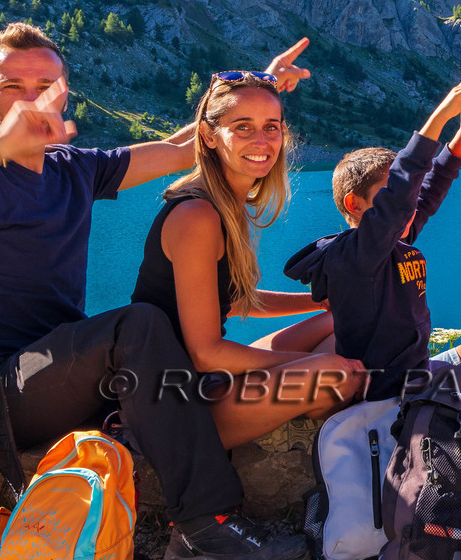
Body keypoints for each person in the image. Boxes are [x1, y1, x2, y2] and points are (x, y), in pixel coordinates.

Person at [0, 22, 317, 560]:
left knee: (148, 329)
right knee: (137, 324)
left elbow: (179, 149)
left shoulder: (74, 168)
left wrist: (259, 86)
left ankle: (159, 447)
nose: (31, 101)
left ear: (65, 92)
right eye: (12, 87)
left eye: (46, 85)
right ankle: (204, 526)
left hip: (61, 370)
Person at [129, 71, 366, 449]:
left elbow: (237, 300)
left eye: (271, 127)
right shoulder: (197, 215)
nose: (261, 141)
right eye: (243, 127)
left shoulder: (225, 203)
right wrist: (296, 364)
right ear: (207, 136)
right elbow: (205, 354)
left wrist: (317, 302)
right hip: (174, 400)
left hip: (205, 380)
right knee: (337, 373)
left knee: (340, 323)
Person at [283, 78, 461, 403]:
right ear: (355, 204)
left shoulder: (396, 239)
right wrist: (441, 114)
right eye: (391, 195)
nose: (408, 204)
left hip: (417, 371)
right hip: (390, 389)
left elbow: (429, 190)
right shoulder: (358, 256)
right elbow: (403, 192)